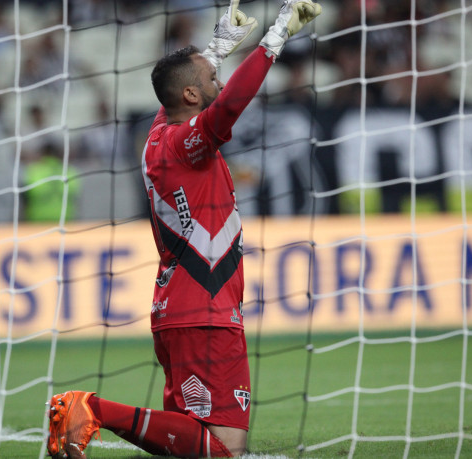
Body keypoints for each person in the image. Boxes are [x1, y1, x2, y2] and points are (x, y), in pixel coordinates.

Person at [46, 1, 322, 457]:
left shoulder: (158, 136)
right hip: (205, 312)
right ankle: (87, 408)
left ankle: (87, 411)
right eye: (212, 77)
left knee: (186, 441)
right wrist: (274, 38)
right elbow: (230, 105)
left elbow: (185, 91)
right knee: (223, 448)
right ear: (192, 97)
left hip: (179, 311)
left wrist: (216, 48)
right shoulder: (188, 145)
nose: (219, 81)